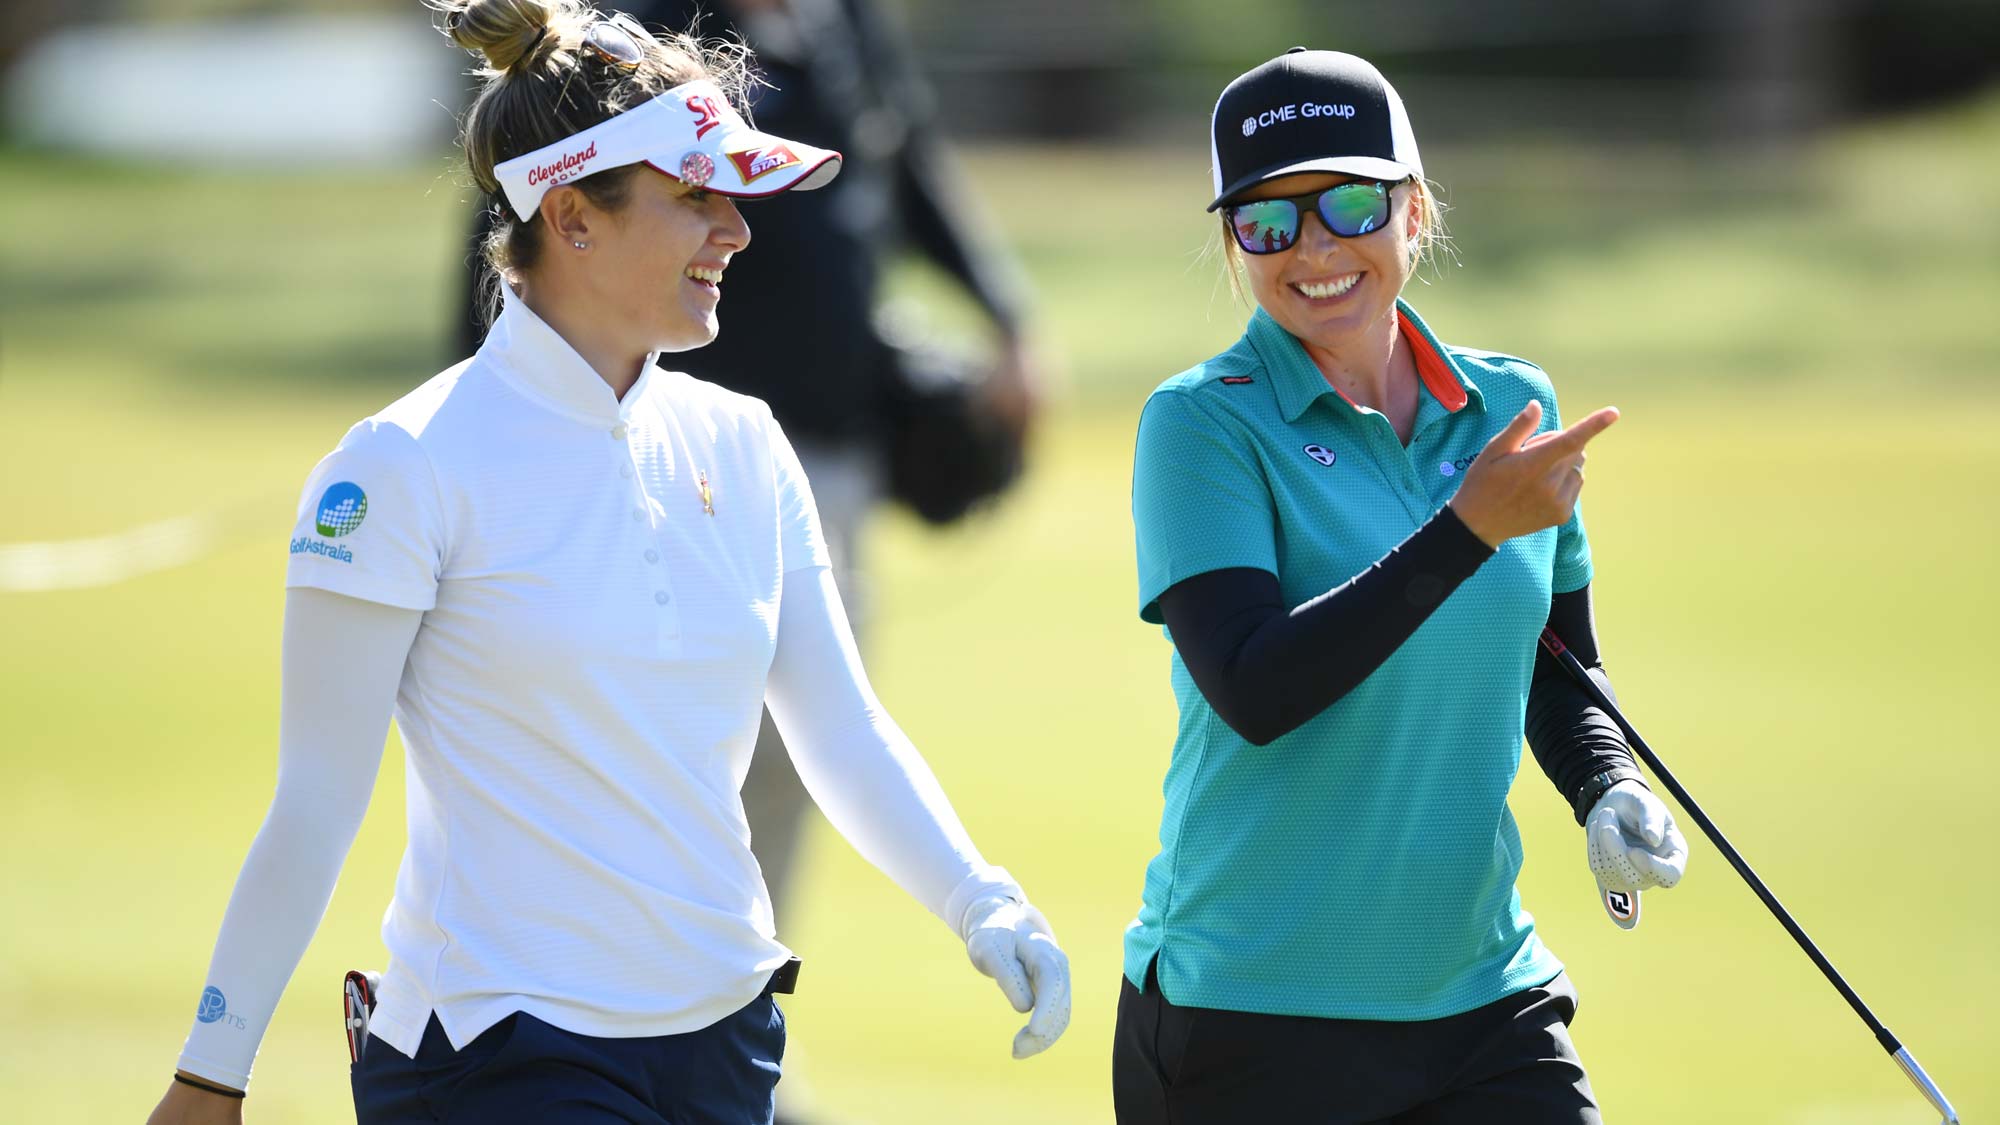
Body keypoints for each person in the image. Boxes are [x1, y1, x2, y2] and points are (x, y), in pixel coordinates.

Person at [144, 3, 1068, 1123]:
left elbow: (839, 728)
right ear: (572, 217)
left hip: (724, 1043)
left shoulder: (742, 441)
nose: (734, 230)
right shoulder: (399, 467)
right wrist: (210, 1076)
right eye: (694, 198)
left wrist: (980, 897)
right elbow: (315, 804)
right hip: (498, 1047)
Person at [1113, 48, 1690, 1124]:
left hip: (1483, 996)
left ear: (1412, 211)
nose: (1313, 248)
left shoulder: (1508, 406)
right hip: (1251, 1009)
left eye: (1346, 203)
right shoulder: (1199, 422)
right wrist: (1466, 528)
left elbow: (1555, 664)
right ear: (1233, 242)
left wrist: (1605, 781)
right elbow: (1255, 687)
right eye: (1266, 222)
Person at [453, 0, 1043, 1002]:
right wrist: (481, 417)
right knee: (657, 753)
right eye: (701, 195)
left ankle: (730, 1009)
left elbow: (908, 165)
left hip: (816, 448)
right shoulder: (648, 34)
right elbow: (521, 222)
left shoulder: (846, 22)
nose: (728, 224)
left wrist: (1002, 314)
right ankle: (622, 1002)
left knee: (792, 757)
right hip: (641, 452)